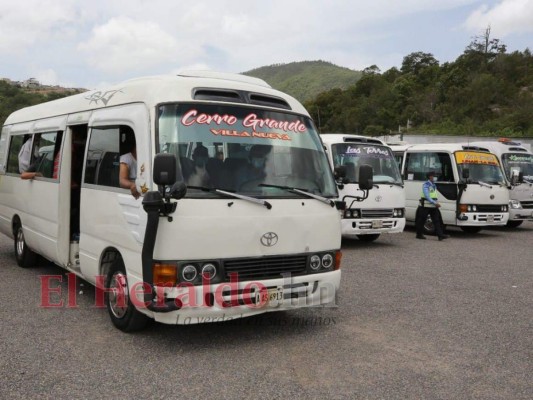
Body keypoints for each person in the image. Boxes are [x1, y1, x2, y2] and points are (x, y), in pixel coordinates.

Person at [415, 171, 449, 241]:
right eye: (433, 176)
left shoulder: (433, 185)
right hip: (425, 206)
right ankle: (419, 234)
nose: (434, 177)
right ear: (430, 177)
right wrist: (434, 202)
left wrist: (435, 203)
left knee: (437, 220)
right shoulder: (426, 185)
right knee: (422, 220)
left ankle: (440, 235)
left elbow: (434, 195)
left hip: (433, 206)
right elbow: (427, 196)